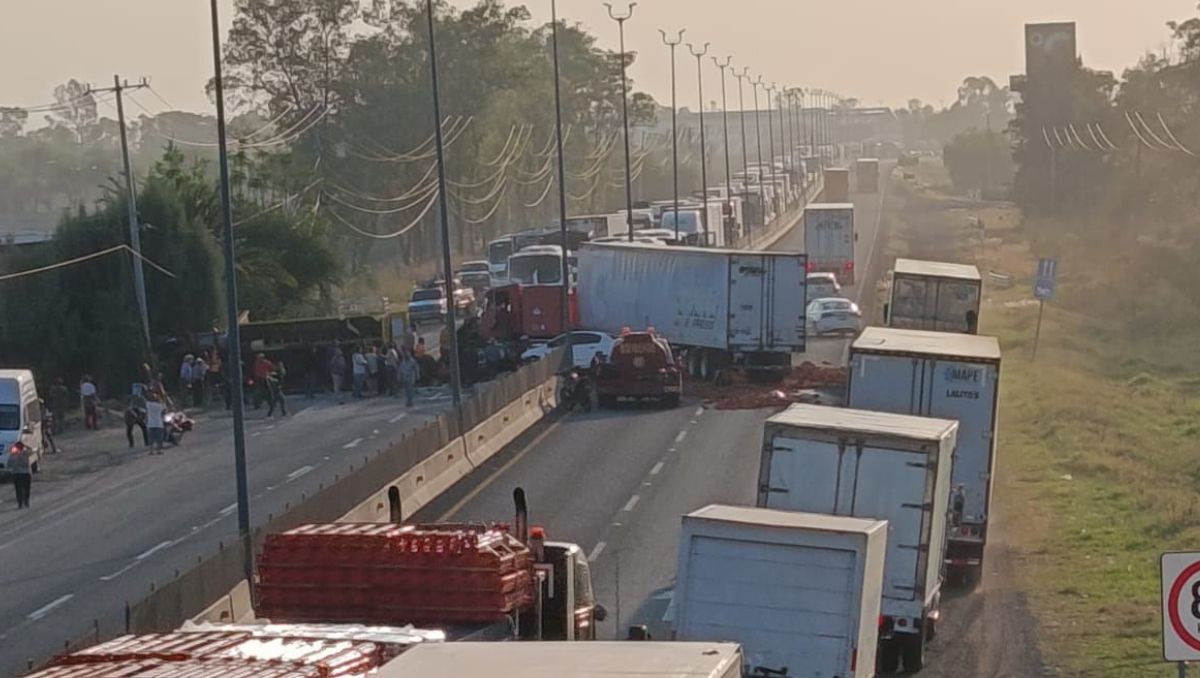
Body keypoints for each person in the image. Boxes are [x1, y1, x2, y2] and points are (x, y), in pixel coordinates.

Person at [8, 441, 32, 508]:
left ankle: (20, 503)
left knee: (18, 490)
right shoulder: (25, 453)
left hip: (16, 474)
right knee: (27, 489)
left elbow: (8, 465)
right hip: (26, 473)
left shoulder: (12, 455)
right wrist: (26, 445)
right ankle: (26, 502)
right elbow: (31, 450)